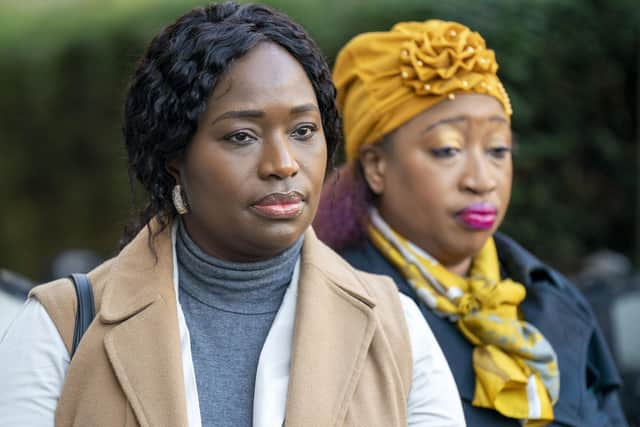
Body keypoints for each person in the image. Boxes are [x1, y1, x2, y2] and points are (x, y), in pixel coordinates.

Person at [0, 3, 465, 427]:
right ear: (173, 156)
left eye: (304, 130)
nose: (283, 163)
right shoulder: (61, 327)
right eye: (242, 136)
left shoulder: (396, 327)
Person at [314, 19, 628, 427]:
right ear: (376, 167)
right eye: (447, 150)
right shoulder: (336, 309)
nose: (481, 180)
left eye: (498, 149)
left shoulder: (554, 297)